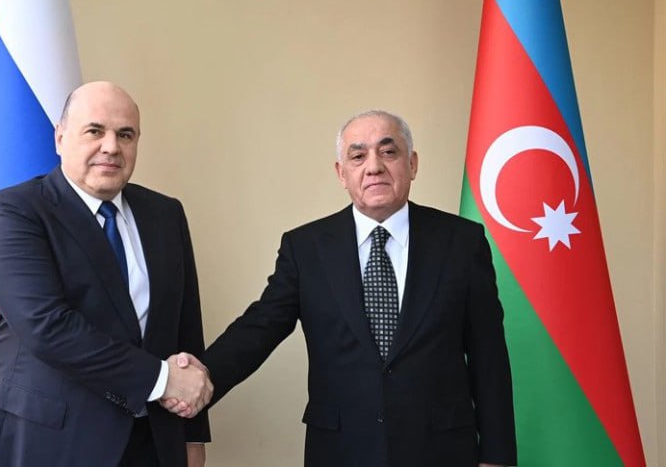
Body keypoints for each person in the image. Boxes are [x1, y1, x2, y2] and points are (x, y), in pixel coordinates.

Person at [167, 110, 517, 467]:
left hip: (442, 450)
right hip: (340, 450)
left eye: (389, 152)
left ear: (412, 164)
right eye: (358, 156)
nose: (374, 167)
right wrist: (201, 377)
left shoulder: (462, 242)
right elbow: (260, 328)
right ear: (342, 174)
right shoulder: (306, 248)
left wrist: (497, 456)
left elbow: (488, 355)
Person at [0, 81, 212, 467]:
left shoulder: (165, 214)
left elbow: (185, 331)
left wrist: (192, 434)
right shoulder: (13, 212)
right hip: (48, 442)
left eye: (125, 134)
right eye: (95, 131)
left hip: (153, 442)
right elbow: (46, 326)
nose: (111, 147)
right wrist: (162, 379)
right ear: (60, 138)